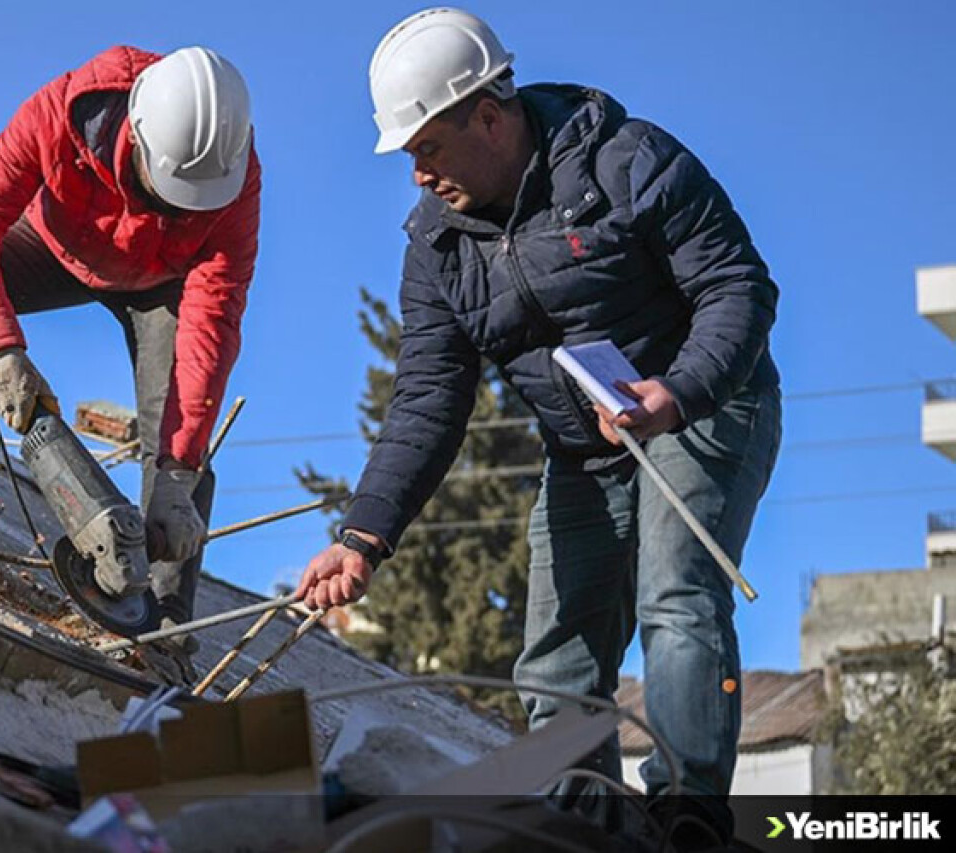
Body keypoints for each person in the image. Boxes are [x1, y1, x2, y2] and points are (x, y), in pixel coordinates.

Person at [297, 8, 780, 847]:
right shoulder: (437, 248)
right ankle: (576, 820)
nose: (416, 174)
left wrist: (678, 391)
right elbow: (427, 398)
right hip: (586, 452)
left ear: (489, 115)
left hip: (704, 406)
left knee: (675, 595)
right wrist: (364, 535)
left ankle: (687, 812)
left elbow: (739, 286)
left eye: (427, 147)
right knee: (556, 647)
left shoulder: (629, 161)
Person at [0, 44, 261, 636]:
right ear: (137, 136)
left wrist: (177, 473)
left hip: (161, 285)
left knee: (180, 441)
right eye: (161, 192)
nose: (170, 210)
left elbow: (213, 320)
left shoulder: (236, 177)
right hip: (58, 248)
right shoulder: (62, 110)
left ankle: (161, 624)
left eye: (187, 204)